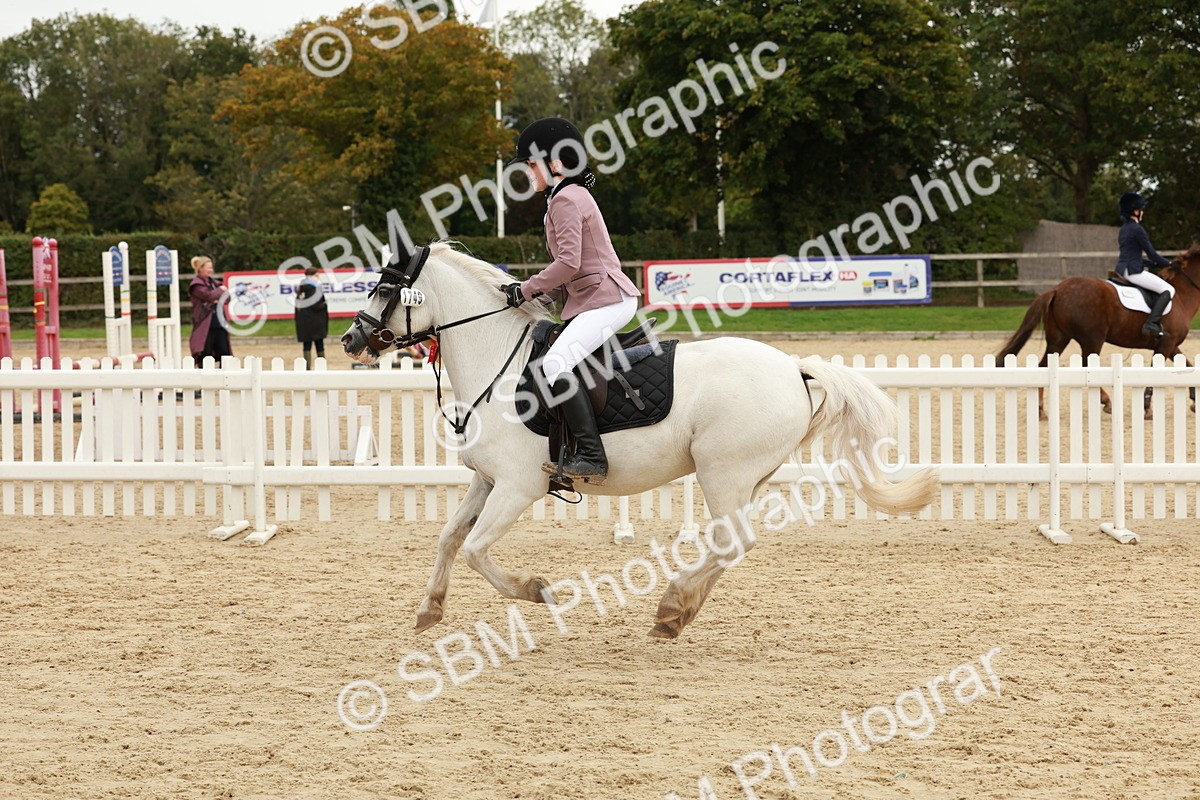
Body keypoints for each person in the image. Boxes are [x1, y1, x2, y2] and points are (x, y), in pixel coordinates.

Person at [501, 117, 640, 484]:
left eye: (532, 164)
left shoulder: (565, 198)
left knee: (555, 364)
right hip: (597, 296)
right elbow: (569, 274)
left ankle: (592, 455)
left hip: (609, 300)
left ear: (556, 162)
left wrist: (526, 288)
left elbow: (568, 263)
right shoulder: (565, 197)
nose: (529, 173)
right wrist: (532, 295)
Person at [1116, 191, 1174, 337]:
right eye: (1141, 209)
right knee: (1168, 290)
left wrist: (1151, 263)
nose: (1143, 212)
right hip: (1134, 271)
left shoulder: (1124, 229)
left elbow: (1131, 255)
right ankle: (1151, 323)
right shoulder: (1137, 229)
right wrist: (1170, 263)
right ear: (1135, 211)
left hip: (1124, 269)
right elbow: (1152, 253)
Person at [188, 255, 233, 364]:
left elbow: (227, 298)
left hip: (219, 323)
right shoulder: (196, 285)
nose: (211, 270)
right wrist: (220, 291)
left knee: (225, 353)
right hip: (205, 325)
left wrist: (217, 295)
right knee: (205, 354)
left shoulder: (215, 283)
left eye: (211, 267)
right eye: (208, 267)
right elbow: (208, 296)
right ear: (200, 268)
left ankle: (225, 379)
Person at [294, 265, 329, 369]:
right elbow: (316, 305)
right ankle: (322, 366)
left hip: (304, 321)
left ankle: (307, 368)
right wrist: (325, 304)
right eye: (316, 275)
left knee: (307, 345)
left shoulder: (302, 287)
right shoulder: (313, 288)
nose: (318, 277)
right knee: (319, 344)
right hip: (315, 321)